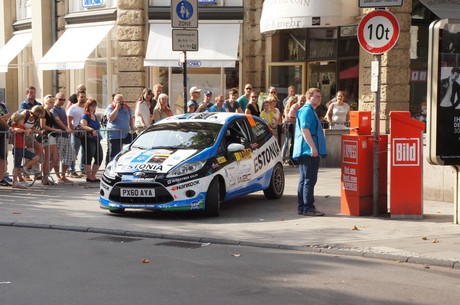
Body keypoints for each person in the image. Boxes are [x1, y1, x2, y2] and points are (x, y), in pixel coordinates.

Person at [293, 88, 327, 217]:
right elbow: (305, 130)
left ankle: (302, 207)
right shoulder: (307, 111)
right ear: (309, 97)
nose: (319, 99)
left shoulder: (309, 110)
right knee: (309, 179)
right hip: (308, 151)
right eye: (316, 96)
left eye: (320, 96)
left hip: (306, 150)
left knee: (304, 179)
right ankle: (308, 207)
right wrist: (313, 147)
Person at [9, 112, 40, 189]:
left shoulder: (23, 126)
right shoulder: (14, 126)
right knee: (16, 166)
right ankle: (15, 181)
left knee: (36, 157)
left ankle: (24, 168)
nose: (23, 121)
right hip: (17, 148)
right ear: (17, 120)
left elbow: (28, 129)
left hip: (23, 148)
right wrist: (24, 131)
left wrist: (27, 130)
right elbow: (16, 129)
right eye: (22, 120)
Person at [51, 92, 75, 184]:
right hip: (58, 136)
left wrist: (69, 128)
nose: (62, 101)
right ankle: (58, 176)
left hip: (66, 135)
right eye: (60, 99)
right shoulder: (54, 109)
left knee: (68, 156)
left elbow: (66, 121)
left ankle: (63, 175)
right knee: (57, 157)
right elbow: (57, 120)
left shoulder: (62, 109)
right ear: (55, 99)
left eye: (64, 100)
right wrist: (66, 128)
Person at [105, 93, 135, 165]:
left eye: (121, 101)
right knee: (114, 154)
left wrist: (133, 127)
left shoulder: (126, 107)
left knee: (135, 142)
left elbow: (130, 118)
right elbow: (111, 118)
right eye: (118, 101)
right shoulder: (110, 107)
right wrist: (116, 108)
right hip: (115, 135)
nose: (120, 103)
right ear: (114, 101)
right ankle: (110, 167)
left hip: (125, 134)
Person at [40, 95, 63, 185]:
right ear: (45, 102)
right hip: (46, 135)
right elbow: (43, 126)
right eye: (50, 102)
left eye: (53, 102)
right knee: (47, 158)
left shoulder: (50, 112)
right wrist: (55, 129)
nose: (52, 104)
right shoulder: (43, 112)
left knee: (55, 158)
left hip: (52, 136)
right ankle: (45, 177)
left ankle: (45, 175)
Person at [79, 99, 103, 183]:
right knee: (88, 157)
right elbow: (82, 126)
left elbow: (98, 128)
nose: (93, 107)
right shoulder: (85, 116)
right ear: (87, 106)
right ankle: (89, 177)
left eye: (95, 105)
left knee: (99, 157)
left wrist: (99, 135)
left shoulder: (95, 116)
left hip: (96, 139)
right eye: (92, 105)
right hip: (88, 139)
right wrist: (91, 129)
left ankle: (93, 175)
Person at [67, 90, 87, 178]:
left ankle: (82, 169)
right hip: (76, 132)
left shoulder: (86, 107)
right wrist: (72, 130)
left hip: (85, 132)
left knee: (84, 151)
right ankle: (71, 170)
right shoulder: (73, 108)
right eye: (81, 96)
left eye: (84, 96)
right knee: (74, 151)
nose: (83, 98)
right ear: (77, 97)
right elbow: (69, 121)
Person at [282, 95, 298, 163]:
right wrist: (294, 120)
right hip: (289, 126)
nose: (293, 104)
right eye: (292, 102)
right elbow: (288, 118)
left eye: (295, 102)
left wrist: (294, 120)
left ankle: (292, 158)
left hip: (295, 126)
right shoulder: (287, 109)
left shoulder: (296, 109)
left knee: (294, 142)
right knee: (286, 142)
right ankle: (282, 157)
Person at [0, 107, 12, 186]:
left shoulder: (2, 105)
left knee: (3, 157)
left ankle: (1, 179)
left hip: (2, 135)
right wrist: (9, 127)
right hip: (2, 133)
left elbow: (10, 115)